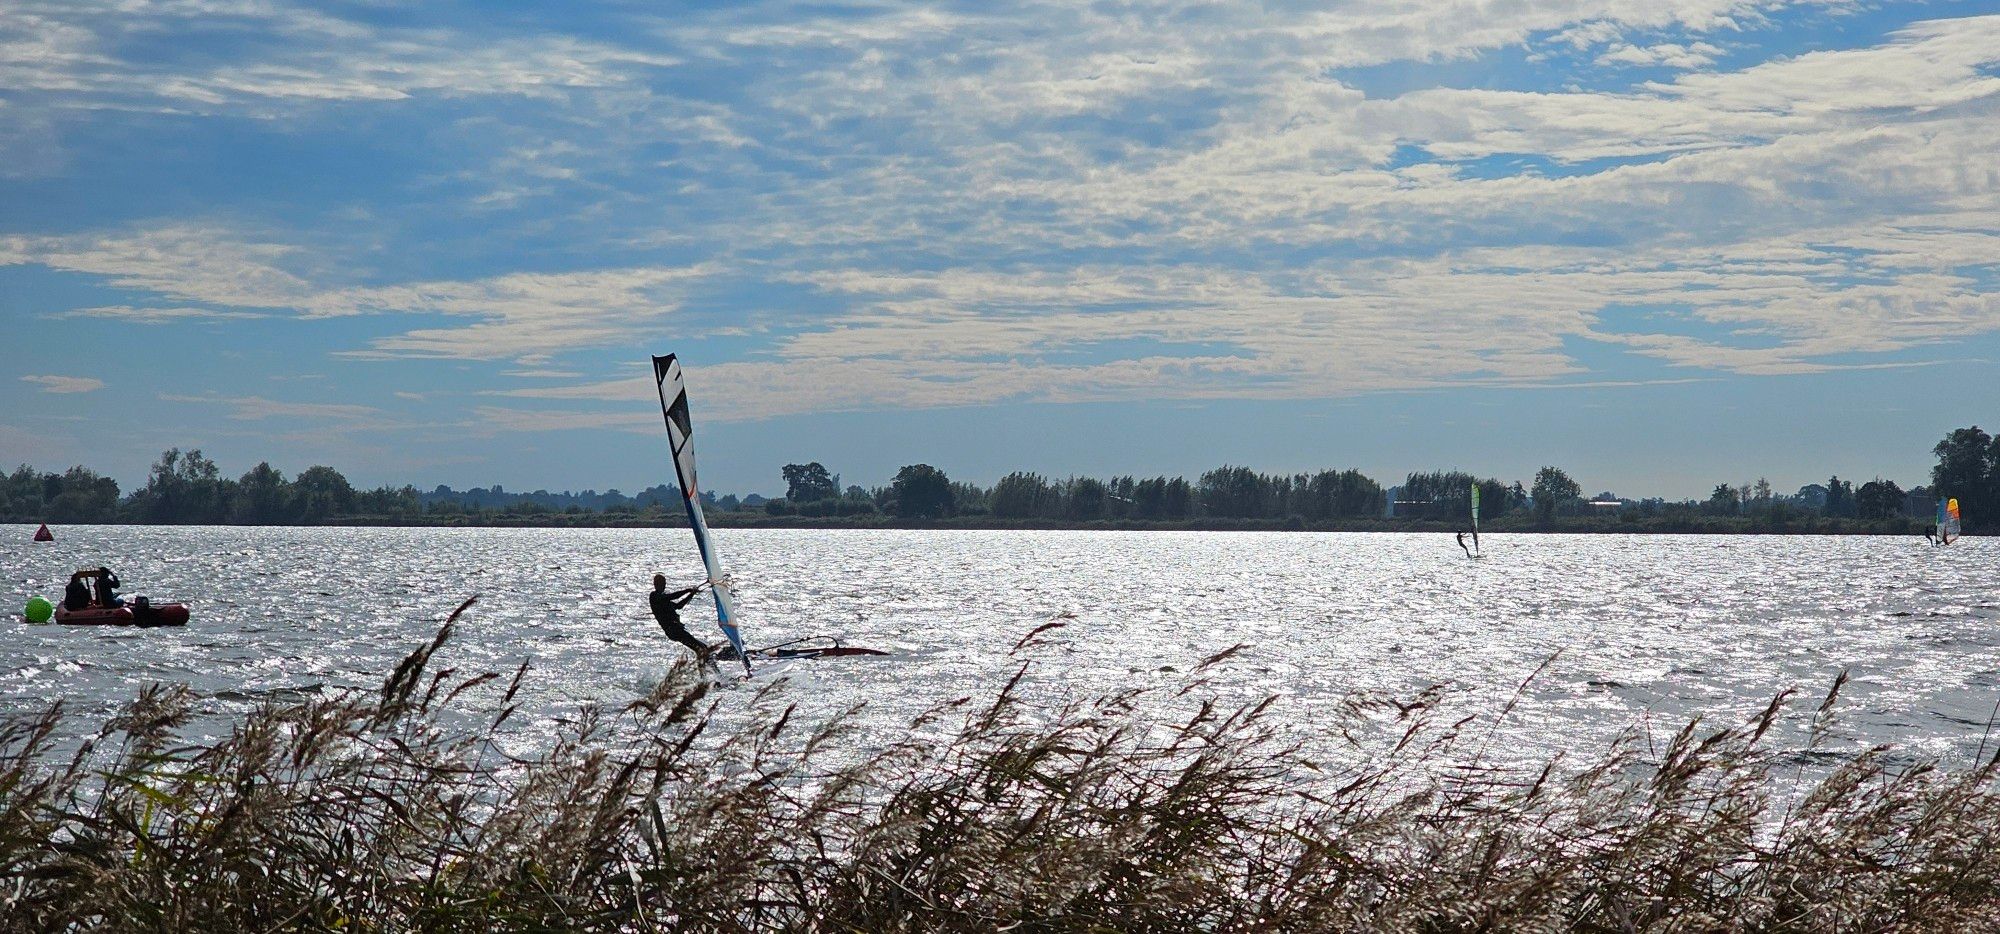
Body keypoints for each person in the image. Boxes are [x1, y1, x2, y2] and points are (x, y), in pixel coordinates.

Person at [649, 573, 713, 658]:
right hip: (673, 631)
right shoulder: (654, 596)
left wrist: (691, 594)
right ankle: (704, 666)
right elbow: (673, 596)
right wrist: (687, 590)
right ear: (656, 585)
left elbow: (679, 606)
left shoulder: (664, 599)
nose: (664, 586)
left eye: (664, 584)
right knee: (701, 648)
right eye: (662, 584)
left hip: (676, 630)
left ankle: (705, 665)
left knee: (702, 648)